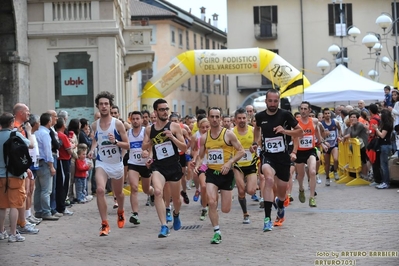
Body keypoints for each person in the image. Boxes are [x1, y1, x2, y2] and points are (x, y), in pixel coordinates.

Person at [252, 89, 303, 232]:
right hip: (268, 156)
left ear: (278, 101)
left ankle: (280, 206)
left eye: (275, 101)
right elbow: (256, 129)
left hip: (283, 158)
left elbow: (300, 132)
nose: (273, 103)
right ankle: (267, 219)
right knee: (268, 179)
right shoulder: (260, 116)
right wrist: (256, 142)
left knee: (282, 192)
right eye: (270, 101)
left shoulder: (285, 115)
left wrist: (285, 131)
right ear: (266, 101)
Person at [194, 107, 244, 244]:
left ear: (221, 118)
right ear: (209, 118)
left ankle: (229, 196)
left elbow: (241, 151)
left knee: (225, 209)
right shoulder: (204, 137)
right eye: (212, 117)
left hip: (227, 174)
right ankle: (217, 232)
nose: (215, 119)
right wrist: (197, 164)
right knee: (211, 202)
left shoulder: (228, 134)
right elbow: (201, 155)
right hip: (212, 173)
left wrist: (230, 163)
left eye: (217, 117)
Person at [142, 99, 187, 238]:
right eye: (162, 109)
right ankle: (163, 226)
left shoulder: (174, 127)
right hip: (158, 167)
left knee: (177, 199)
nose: (165, 112)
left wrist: (172, 138)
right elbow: (145, 146)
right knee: (157, 192)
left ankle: (176, 214)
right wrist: (146, 153)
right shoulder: (150, 129)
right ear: (155, 112)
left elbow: (184, 148)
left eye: (166, 109)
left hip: (173, 166)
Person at [88, 91, 130, 236]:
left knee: (118, 193)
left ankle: (121, 211)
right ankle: (104, 224)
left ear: (110, 106)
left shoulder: (117, 124)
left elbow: (128, 145)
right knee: (100, 190)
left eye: (106, 104)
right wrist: (92, 150)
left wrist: (116, 142)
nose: (104, 106)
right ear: (98, 107)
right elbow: (96, 140)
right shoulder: (94, 125)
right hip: (102, 163)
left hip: (116, 164)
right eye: (101, 104)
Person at [0, 112, 31, 242]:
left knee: (2, 206)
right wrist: (27, 132)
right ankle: (13, 233)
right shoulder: (15, 134)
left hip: (0, 175)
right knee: (14, 205)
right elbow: (29, 144)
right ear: (11, 123)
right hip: (15, 175)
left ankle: (1, 231)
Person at [294, 102, 324, 208]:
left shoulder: (314, 121)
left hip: (310, 150)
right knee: (300, 175)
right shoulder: (295, 122)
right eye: (301, 108)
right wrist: (297, 136)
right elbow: (292, 134)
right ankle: (301, 189)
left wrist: (321, 142)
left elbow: (316, 132)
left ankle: (312, 197)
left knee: (312, 172)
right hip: (299, 151)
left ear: (309, 110)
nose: (303, 111)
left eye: (305, 109)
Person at [127, 111, 154, 225]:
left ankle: (152, 194)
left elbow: (152, 144)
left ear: (142, 120)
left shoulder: (146, 131)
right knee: (134, 188)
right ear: (130, 120)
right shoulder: (128, 133)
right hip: (133, 163)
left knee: (146, 189)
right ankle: (135, 214)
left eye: (137, 118)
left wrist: (148, 152)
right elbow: (125, 147)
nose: (135, 121)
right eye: (133, 119)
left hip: (145, 164)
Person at [231, 108, 258, 224]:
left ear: (248, 119)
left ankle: (249, 185)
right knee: (241, 191)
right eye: (239, 118)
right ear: (235, 120)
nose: (242, 120)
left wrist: (255, 147)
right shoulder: (231, 132)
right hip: (237, 165)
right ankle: (245, 214)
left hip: (251, 164)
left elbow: (259, 143)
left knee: (251, 191)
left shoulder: (253, 130)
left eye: (244, 118)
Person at [34, 113, 59, 221]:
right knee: (46, 190)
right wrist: (51, 165)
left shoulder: (36, 132)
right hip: (44, 162)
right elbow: (48, 151)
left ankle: (38, 210)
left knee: (38, 189)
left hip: (37, 162)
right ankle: (46, 211)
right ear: (49, 122)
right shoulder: (45, 134)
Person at [54, 117, 75, 215]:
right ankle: (61, 207)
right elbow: (69, 150)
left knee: (60, 185)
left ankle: (60, 206)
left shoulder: (57, 134)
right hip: (63, 160)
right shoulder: (62, 136)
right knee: (63, 185)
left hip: (61, 161)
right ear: (63, 125)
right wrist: (73, 146)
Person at [343, 111, 369, 179]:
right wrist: (351, 127)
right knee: (360, 159)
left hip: (363, 145)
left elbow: (354, 134)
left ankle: (365, 175)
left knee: (364, 160)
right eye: (351, 117)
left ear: (357, 118)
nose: (352, 118)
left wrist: (351, 126)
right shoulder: (352, 125)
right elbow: (348, 133)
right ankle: (361, 174)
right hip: (357, 145)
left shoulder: (359, 125)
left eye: (354, 117)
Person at [321, 108, 342, 185]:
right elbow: (319, 135)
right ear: (323, 115)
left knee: (336, 159)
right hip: (326, 146)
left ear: (330, 114)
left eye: (328, 113)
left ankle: (335, 171)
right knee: (327, 163)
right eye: (325, 113)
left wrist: (339, 136)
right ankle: (327, 177)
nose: (327, 115)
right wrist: (324, 138)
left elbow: (340, 129)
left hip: (334, 144)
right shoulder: (321, 124)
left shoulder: (335, 122)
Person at [373, 109, 393, 189]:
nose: (380, 115)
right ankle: (384, 181)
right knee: (383, 164)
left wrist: (376, 129)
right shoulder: (388, 123)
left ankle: (386, 182)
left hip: (385, 145)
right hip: (385, 145)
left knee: (384, 165)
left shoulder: (386, 124)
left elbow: (382, 135)